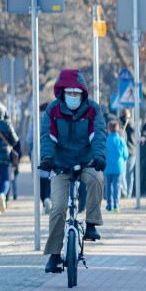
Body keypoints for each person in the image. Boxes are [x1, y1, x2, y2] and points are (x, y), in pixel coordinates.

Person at [39, 70, 107, 273]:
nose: (73, 97)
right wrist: (47, 159)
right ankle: (53, 255)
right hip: (60, 164)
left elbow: (98, 135)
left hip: (87, 162)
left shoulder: (93, 110)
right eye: (70, 93)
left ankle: (92, 223)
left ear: (83, 94)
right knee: (58, 207)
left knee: (97, 178)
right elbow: (47, 136)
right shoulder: (53, 110)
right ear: (62, 93)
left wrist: (99, 157)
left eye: (77, 94)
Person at [104, 119, 128, 212]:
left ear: (108, 130)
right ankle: (116, 205)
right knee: (116, 186)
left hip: (107, 167)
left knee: (108, 187)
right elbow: (126, 154)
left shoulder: (106, 140)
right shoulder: (121, 140)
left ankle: (109, 205)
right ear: (118, 130)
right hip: (118, 167)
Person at [119, 108, 137, 199]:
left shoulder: (121, 124)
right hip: (133, 151)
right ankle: (128, 193)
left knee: (124, 172)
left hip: (123, 151)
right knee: (130, 173)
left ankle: (125, 191)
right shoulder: (133, 124)